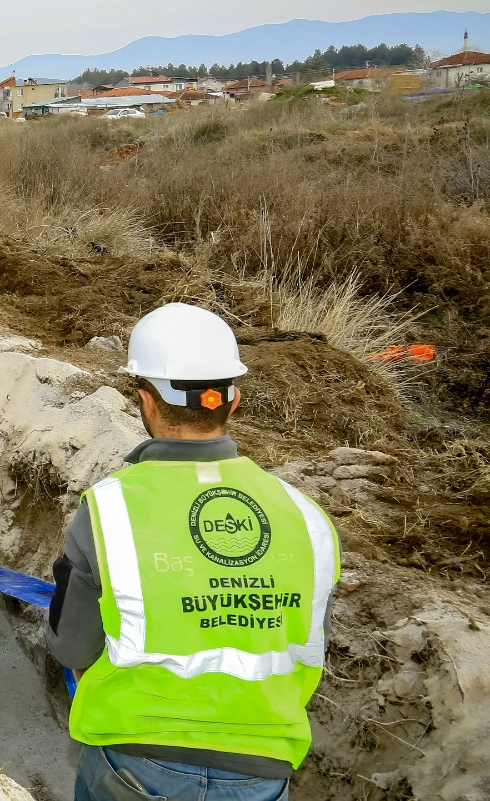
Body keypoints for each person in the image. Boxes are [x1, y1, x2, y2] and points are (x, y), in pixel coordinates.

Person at [47, 302, 341, 801]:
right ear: (235, 399)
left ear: (146, 401)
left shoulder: (110, 509)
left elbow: (71, 647)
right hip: (262, 770)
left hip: (134, 761)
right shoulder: (308, 518)